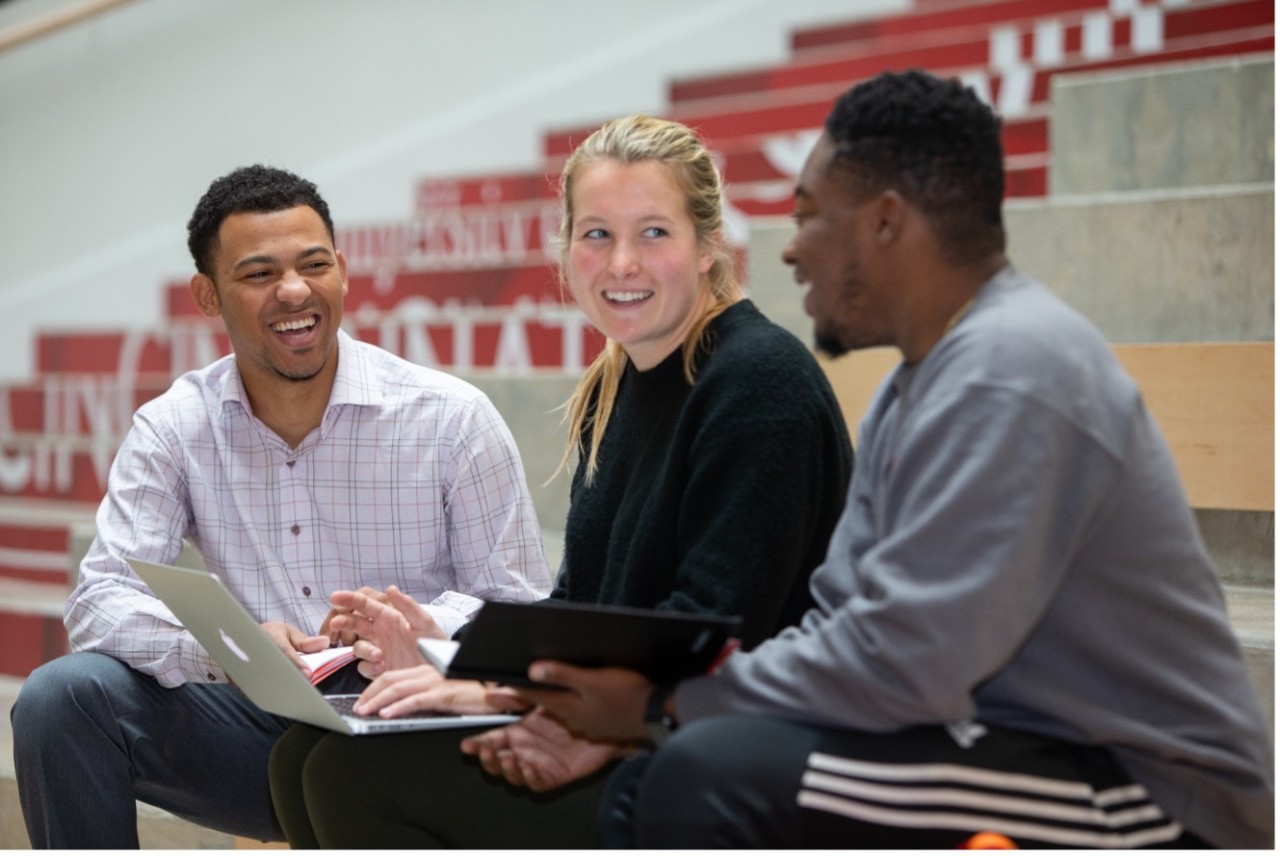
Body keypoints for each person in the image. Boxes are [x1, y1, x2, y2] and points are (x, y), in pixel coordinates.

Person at [489, 70, 1276, 849]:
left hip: (1149, 786)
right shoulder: (919, 382)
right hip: (991, 735)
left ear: (886, 225)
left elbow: (912, 662)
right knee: (677, 770)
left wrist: (660, 702)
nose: (790, 252)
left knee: (699, 775)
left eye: (811, 218)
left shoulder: (1010, 368)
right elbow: (843, 618)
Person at [266, 114, 855, 848]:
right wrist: (448, 649)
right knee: (297, 757)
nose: (620, 265)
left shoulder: (758, 383)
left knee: (348, 776)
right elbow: (584, 605)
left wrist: (489, 693)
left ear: (710, 247)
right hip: (630, 715)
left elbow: (708, 631)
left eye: (654, 233)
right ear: (567, 249)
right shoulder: (619, 383)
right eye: (597, 234)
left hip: (718, 750)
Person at [9, 165, 553, 849]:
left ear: (344, 272)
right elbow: (99, 601)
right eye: (259, 273)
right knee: (62, 699)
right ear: (208, 296)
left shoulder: (450, 418)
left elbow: (523, 611)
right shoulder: (176, 425)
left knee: (345, 765)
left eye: (313, 264)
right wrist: (230, 648)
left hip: (415, 724)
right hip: (258, 723)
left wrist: (417, 628)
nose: (295, 291)